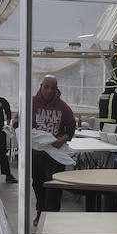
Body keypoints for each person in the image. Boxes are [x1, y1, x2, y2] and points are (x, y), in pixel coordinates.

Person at [31, 75, 76, 223]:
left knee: (53, 187)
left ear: (56, 89)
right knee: (38, 185)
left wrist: (62, 139)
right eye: (46, 87)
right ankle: (40, 212)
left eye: (53, 88)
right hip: (36, 154)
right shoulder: (31, 103)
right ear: (41, 86)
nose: (49, 91)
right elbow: (18, 123)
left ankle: (51, 218)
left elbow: (71, 129)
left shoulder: (63, 107)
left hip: (55, 156)